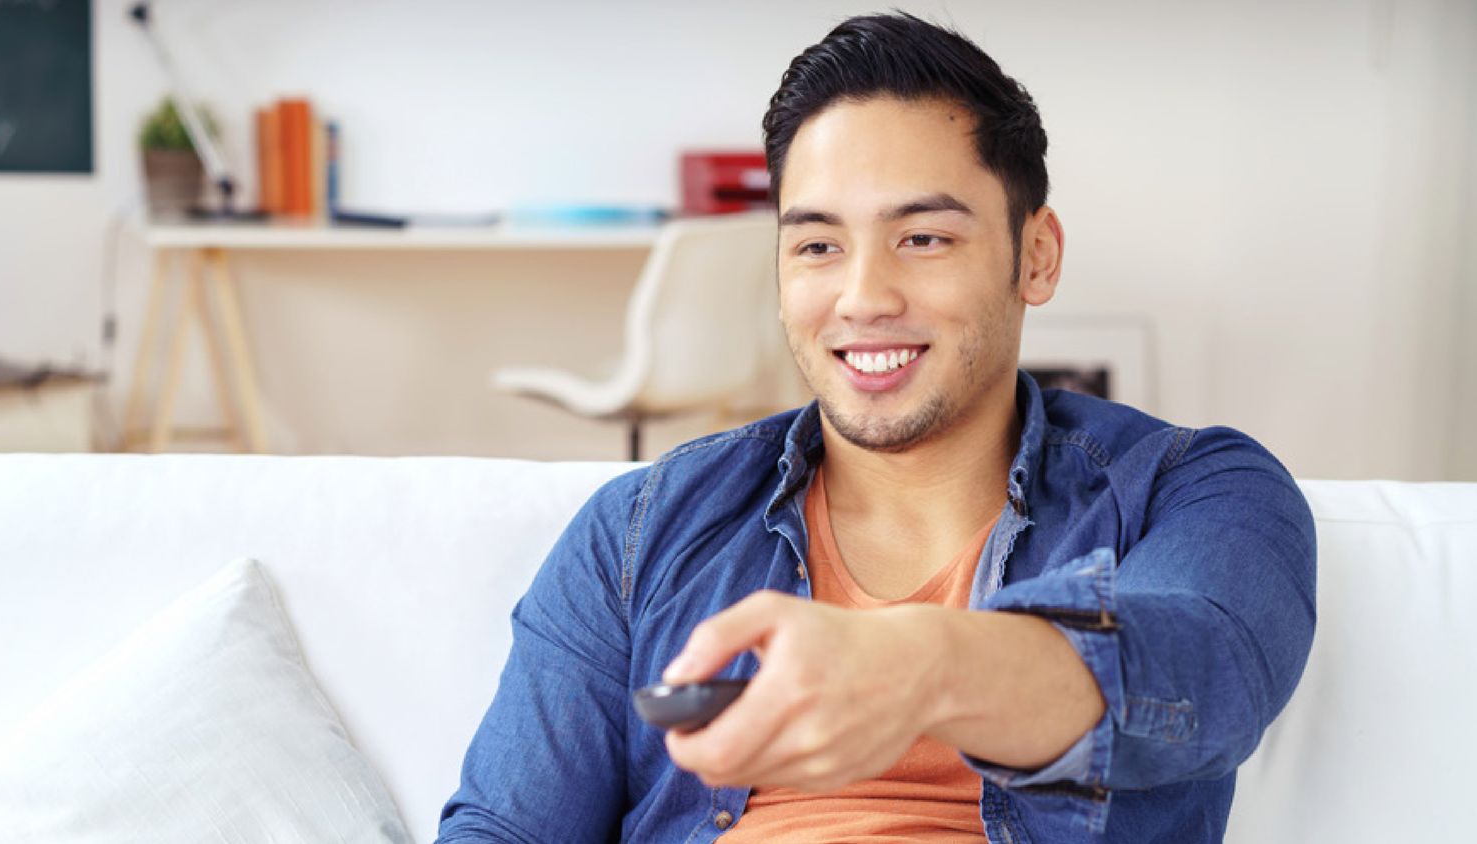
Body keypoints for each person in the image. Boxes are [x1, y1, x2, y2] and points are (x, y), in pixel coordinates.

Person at [435, 12, 1315, 843]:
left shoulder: (1191, 489)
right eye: (817, 246)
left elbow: (1206, 672)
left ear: (1035, 255)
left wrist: (924, 667)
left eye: (923, 238)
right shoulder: (636, 533)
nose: (863, 298)